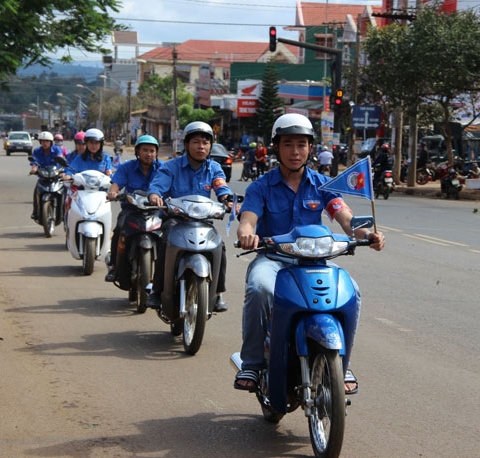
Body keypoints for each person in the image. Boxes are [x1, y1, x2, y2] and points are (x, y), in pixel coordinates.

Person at [234, 113, 385, 394]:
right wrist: (246, 232)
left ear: (310, 149)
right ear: (276, 147)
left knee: (352, 291)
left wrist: (368, 234)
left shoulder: (323, 186)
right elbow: (248, 219)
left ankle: (342, 362)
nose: (295, 151)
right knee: (258, 289)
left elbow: (346, 219)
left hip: (313, 262)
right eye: (288, 144)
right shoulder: (261, 187)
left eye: (301, 144)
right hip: (273, 260)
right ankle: (252, 363)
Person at [147, 121, 234, 312]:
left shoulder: (214, 168)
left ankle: (218, 293)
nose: (201, 147)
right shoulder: (171, 167)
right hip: (175, 220)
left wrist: (227, 199)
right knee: (164, 243)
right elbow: (158, 186)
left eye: (205, 142)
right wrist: (155, 195)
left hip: (203, 221)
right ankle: (156, 290)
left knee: (220, 246)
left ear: (211, 146)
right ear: (186, 144)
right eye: (196, 142)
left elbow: (221, 187)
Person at [105, 135, 164, 282]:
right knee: (119, 230)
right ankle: (114, 265)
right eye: (144, 150)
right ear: (137, 151)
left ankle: (165, 271)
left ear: (156, 152)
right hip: (132, 210)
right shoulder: (127, 167)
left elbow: (171, 184)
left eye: (152, 150)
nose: (148, 154)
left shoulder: (163, 168)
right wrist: (113, 192)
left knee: (168, 235)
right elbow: (116, 183)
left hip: (155, 210)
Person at [29, 131, 64, 220]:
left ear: (51, 142)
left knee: (64, 191)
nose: (45, 143)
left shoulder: (56, 149)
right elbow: (34, 161)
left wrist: (61, 170)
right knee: (36, 191)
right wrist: (34, 168)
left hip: (56, 176)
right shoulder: (37, 151)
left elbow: (60, 158)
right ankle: (35, 211)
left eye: (47, 141)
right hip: (43, 176)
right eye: (43, 141)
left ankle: (64, 212)